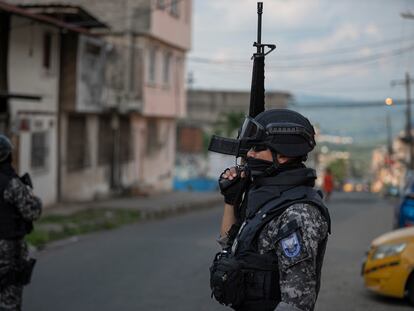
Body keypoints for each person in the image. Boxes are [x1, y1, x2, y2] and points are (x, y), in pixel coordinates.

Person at [210, 109, 331, 311]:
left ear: (282, 155)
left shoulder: (298, 213)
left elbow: (297, 302)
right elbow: (230, 248)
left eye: (257, 148)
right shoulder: (266, 200)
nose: (249, 154)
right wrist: (231, 201)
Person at [0, 135, 42, 311]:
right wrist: (35, 200)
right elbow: (32, 212)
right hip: (8, 250)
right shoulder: (11, 184)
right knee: (9, 301)